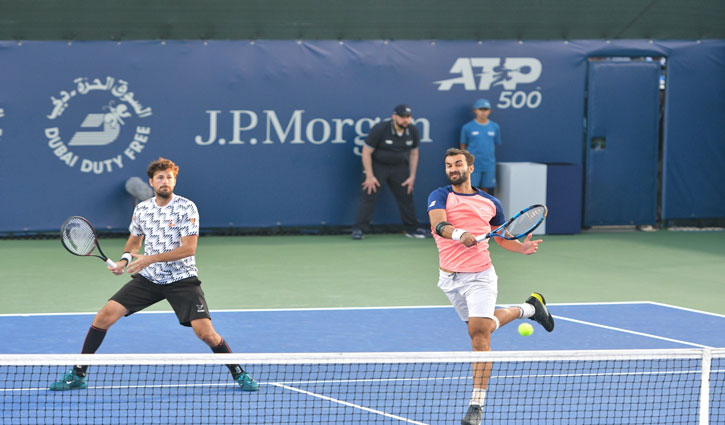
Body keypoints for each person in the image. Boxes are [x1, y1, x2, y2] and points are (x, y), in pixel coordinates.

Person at [49, 157, 259, 392]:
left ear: (174, 180)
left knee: (206, 334)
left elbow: (189, 249)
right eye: (160, 177)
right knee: (104, 316)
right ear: (151, 182)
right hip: (150, 278)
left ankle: (238, 372)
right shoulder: (142, 209)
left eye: (169, 177)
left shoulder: (186, 208)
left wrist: (151, 258)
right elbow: (134, 241)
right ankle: (78, 374)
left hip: (182, 280)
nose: (165, 181)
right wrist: (124, 260)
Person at [426, 148, 554, 425]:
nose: (452, 169)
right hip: (449, 278)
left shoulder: (490, 203)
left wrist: (520, 248)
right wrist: (461, 234)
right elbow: (438, 226)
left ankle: (476, 406)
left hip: (480, 276)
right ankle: (528, 309)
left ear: (470, 168)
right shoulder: (440, 195)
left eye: (458, 164)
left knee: (479, 334)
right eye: (448, 165)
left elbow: (502, 237)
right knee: (481, 326)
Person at [351, 104, 428, 240]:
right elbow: (366, 152)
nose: (406, 120)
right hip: (378, 166)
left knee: (406, 196)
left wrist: (412, 176)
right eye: (402, 117)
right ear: (394, 117)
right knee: (369, 194)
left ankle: (412, 229)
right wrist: (369, 175)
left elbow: (414, 154)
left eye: (408, 117)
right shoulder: (380, 129)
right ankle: (359, 229)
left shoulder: (413, 130)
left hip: (400, 168)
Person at [459, 99, 502, 194]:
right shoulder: (467, 127)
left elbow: (494, 143)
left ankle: (481, 209)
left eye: (485, 109)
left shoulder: (495, 127)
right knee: (471, 189)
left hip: (488, 164)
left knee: (485, 191)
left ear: (490, 111)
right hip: (473, 164)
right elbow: (463, 147)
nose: (483, 112)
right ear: (475, 111)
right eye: (480, 109)